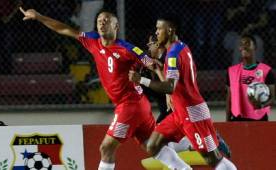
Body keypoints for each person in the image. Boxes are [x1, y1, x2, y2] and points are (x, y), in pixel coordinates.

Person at [19, 7, 190, 170]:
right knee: (152, 145)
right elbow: (64, 29)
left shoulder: (127, 49)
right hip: (138, 106)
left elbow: (155, 65)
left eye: (106, 20)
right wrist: (39, 17)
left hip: (130, 105)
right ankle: (184, 162)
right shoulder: (92, 40)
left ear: (115, 26)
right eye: (99, 20)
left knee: (106, 148)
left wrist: (169, 93)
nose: (101, 23)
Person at [129, 14, 237, 169]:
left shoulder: (173, 55)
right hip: (179, 113)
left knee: (213, 159)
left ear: (170, 30)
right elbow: (177, 83)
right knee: (153, 145)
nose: (157, 32)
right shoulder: (181, 47)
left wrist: (141, 80)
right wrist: (162, 76)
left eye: (160, 28)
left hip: (192, 114)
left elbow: (170, 86)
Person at [226, 34, 275, 121]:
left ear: (255, 47)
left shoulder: (266, 70)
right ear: (239, 48)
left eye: (247, 43)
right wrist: (227, 121)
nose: (244, 46)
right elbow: (229, 99)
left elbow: (273, 98)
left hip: (259, 119)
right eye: (241, 44)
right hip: (238, 119)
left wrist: (261, 105)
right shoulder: (231, 71)